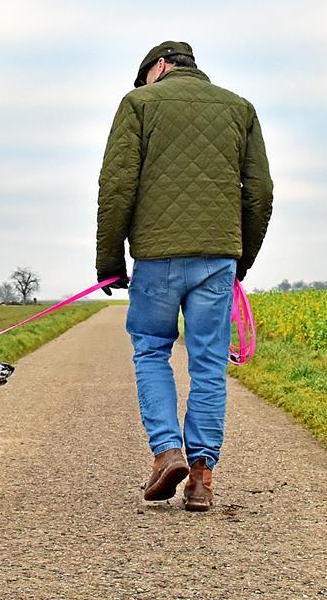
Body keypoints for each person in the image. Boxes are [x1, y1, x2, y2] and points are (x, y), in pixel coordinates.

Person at [96, 40, 273, 511]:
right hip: (218, 257)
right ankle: (201, 476)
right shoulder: (241, 109)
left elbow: (117, 185)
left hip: (156, 257)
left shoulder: (138, 105)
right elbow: (259, 192)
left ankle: (167, 452)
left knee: (152, 350)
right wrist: (241, 259)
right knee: (209, 364)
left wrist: (110, 262)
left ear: (158, 67)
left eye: (144, 78)